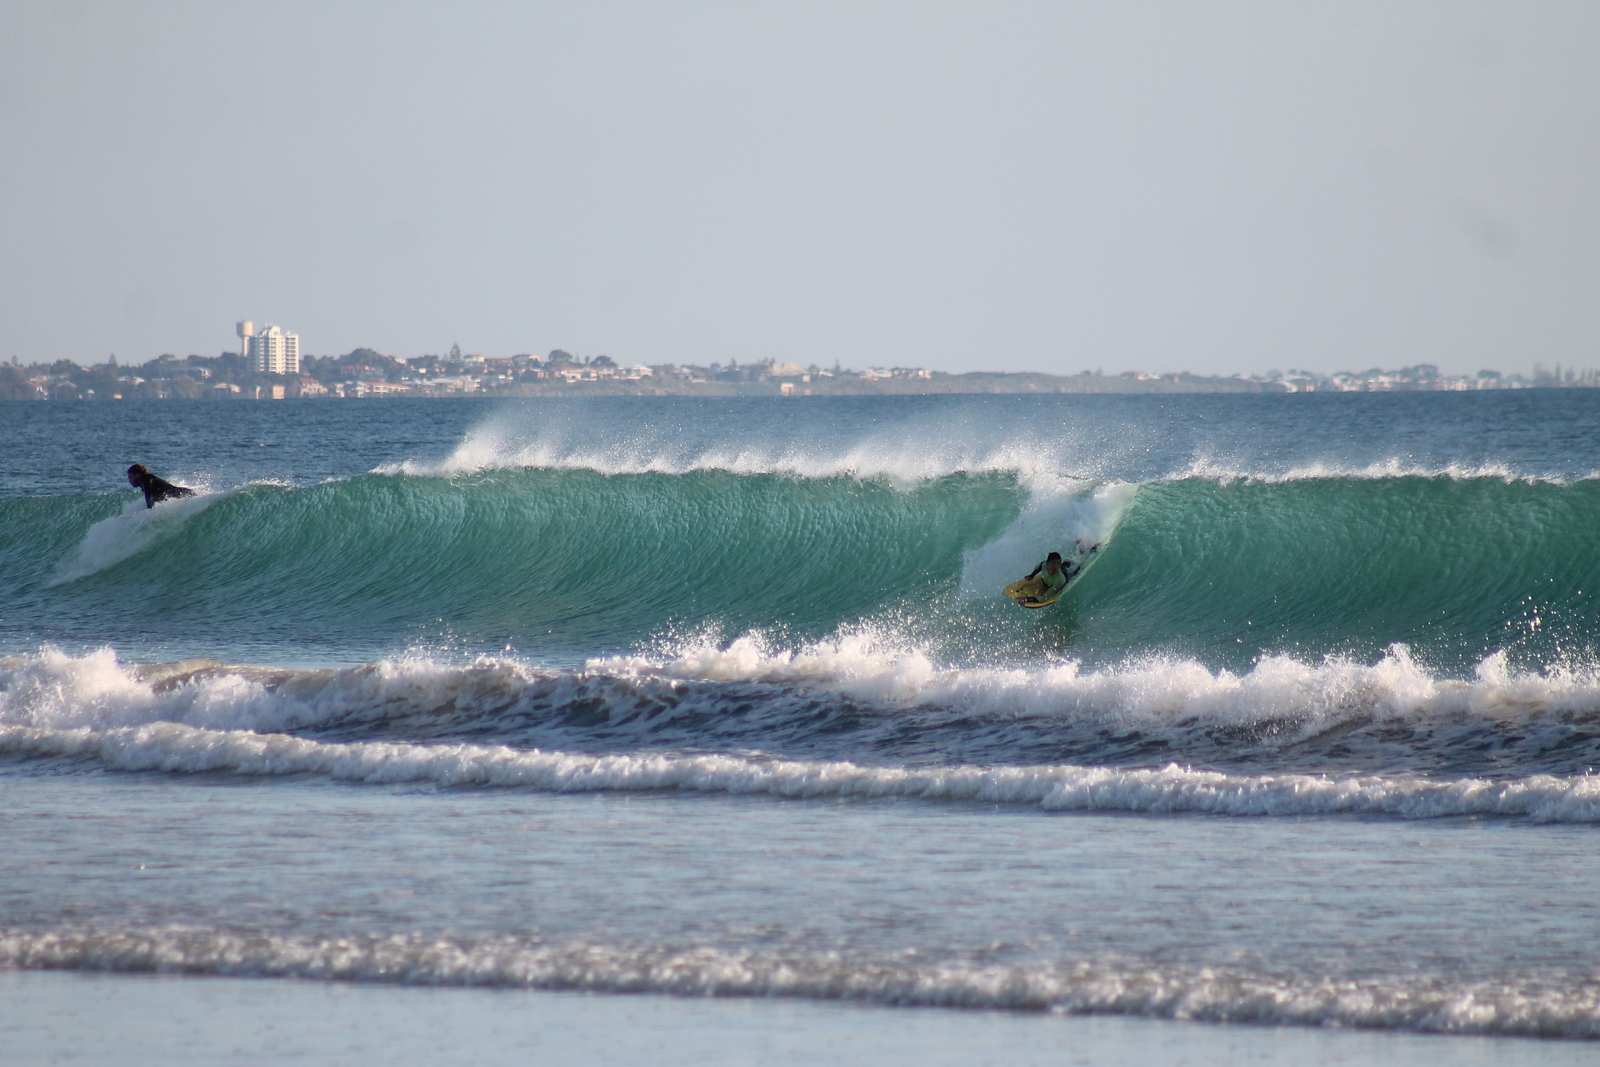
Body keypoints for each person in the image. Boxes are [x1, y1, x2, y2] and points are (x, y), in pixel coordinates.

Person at [1020, 542, 1102, 604]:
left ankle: (1093, 550)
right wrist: (1031, 575)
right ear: (1047, 562)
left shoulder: (1060, 580)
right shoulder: (1044, 564)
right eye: (1053, 563)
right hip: (1061, 569)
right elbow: (1038, 567)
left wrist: (1027, 599)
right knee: (1066, 563)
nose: (1055, 566)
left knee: (1079, 567)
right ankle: (1080, 547)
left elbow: (1044, 598)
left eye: (1057, 563)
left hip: (1066, 576)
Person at [126, 463, 194, 508]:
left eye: (130, 477)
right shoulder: (144, 483)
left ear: (138, 474)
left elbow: (148, 497)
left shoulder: (145, 479)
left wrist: (149, 513)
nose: (129, 481)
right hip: (184, 494)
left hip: (184, 494)